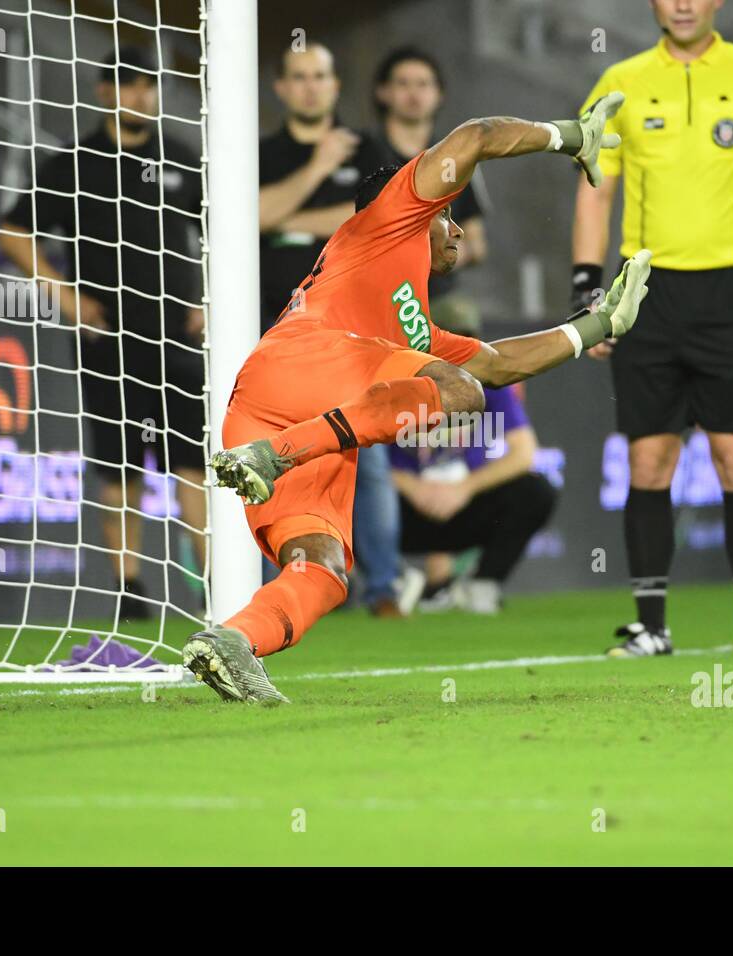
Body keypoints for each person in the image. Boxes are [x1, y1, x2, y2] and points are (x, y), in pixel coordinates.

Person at [182, 95, 651, 702]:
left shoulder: (418, 329)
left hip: (280, 414)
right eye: (448, 215)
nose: (454, 227)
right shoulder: (390, 215)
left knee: (323, 568)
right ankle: (272, 456)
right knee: (458, 392)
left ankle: (234, 644)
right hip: (305, 367)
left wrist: (598, 325)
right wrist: (568, 136)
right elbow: (479, 132)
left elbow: (501, 363)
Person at [570, 0, 733, 658]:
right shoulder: (619, 83)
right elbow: (595, 189)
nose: (682, 3)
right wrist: (587, 293)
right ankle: (651, 626)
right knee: (648, 460)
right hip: (646, 292)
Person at [0, 46, 206, 621]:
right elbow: (14, 232)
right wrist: (65, 296)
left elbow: (222, 230)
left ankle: (214, 583)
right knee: (119, 465)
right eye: (130, 85)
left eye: (150, 85)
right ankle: (128, 587)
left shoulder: (181, 158)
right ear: (104, 92)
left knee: (191, 461)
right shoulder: (74, 163)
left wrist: (210, 298)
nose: (142, 95)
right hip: (106, 339)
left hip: (177, 338)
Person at [259, 43, 402, 616]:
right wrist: (317, 168)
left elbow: (377, 218)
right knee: (279, 460)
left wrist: (280, 218)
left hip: (352, 328)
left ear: (336, 84)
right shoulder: (260, 151)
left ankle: (384, 587)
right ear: (281, 88)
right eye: (299, 77)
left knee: (367, 459)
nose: (310, 87)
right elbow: (244, 214)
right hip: (273, 329)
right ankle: (313, 578)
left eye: (320, 76)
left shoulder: (369, 147)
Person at [389, 379, 556, 615]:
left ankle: (483, 582)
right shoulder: (389, 378)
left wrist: (464, 488)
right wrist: (412, 487)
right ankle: (388, 578)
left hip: (463, 503)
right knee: (344, 493)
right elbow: (361, 458)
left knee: (535, 491)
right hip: (399, 507)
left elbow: (524, 453)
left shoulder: (488, 382)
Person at [371, 46, 490, 322]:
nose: (413, 93)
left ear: (439, 94)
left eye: (423, 84)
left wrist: (431, 259)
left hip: (436, 299)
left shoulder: (458, 157)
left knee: (462, 317)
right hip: (372, 294)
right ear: (383, 92)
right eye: (403, 83)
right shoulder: (363, 152)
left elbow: (477, 245)